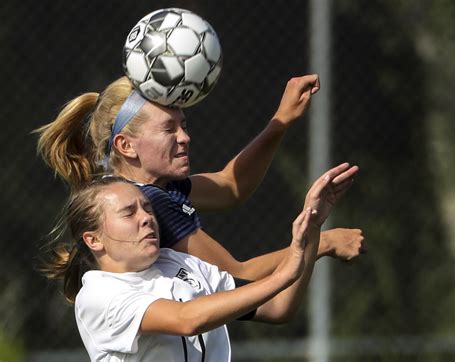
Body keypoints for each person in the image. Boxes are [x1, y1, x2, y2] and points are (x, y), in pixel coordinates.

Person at [36, 74, 364, 282]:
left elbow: (230, 186)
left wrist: (280, 121)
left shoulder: (153, 187)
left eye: (184, 125)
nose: (184, 137)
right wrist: (323, 241)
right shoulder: (149, 204)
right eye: (168, 128)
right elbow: (238, 275)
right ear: (126, 145)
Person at [40, 163, 354, 361]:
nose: (147, 219)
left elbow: (279, 307)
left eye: (147, 208)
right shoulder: (98, 295)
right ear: (93, 239)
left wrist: (312, 230)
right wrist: (285, 271)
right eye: (129, 213)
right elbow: (187, 320)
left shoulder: (179, 264)